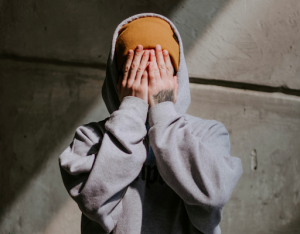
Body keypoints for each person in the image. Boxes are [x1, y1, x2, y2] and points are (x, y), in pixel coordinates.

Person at [58, 13, 243, 234]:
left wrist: (163, 110)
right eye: (136, 70)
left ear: (177, 78)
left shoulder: (208, 133)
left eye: (159, 70)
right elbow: (94, 201)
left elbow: (213, 194)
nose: (148, 79)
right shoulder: (90, 138)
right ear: (118, 79)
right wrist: (132, 108)